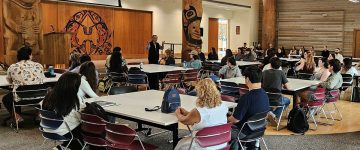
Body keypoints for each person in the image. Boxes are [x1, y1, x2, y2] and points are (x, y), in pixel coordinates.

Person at [174, 79, 228, 150]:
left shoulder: (199, 111)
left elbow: (184, 120)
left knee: (180, 144)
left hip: (203, 146)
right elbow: (203, 118)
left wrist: (177, 112)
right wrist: (187, 112)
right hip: (221, 143)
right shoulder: (223, 105)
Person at [228, 66, 269, 149]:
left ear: (247, 79)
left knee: (219, 130)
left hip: (244, 132)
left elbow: (236, 120)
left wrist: (226, 118)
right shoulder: (265, 94)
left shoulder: (246, 98)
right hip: (260, 130)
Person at [2, 47, 44, 123]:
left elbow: (9, 81)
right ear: (29, 55)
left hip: (21, 97)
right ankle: (39, 114)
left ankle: (17, 117)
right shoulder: (39, 66)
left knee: (6, 99)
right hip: (39, 97)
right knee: (36, 90)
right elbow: (42, 79)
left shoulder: (13, 67)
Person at [42, 72, 83, 150]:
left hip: (47, 129)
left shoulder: (49, 95)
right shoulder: (73, 98)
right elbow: (80, 117)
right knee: (87, 127)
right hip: (63, 132)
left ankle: (62, 147)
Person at [262, 57, 290, 124]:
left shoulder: (264, 72)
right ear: (280, 66)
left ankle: (269, 113)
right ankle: (274, 114)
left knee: (271, 103)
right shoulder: (281, 73)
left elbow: (260, 85)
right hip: (277, 99)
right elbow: (288, 87)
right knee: (287, 101)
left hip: (265, 98)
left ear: (270, 64)